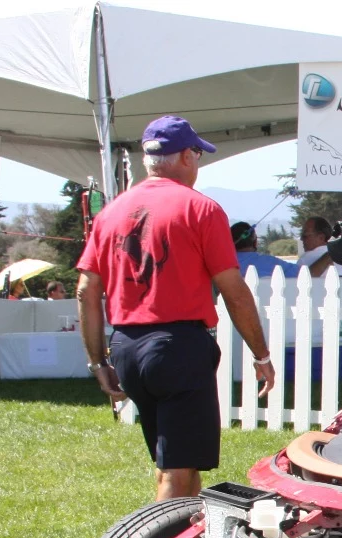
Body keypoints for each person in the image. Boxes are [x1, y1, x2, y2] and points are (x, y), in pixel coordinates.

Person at [76, 116, 273, 502]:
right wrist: (261, 354)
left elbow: (86, 291)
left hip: (128, 345)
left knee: (177, 462)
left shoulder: (111, 212)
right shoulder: (201, 209)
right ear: (186, 156)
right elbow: (233, 291)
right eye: (197, 154)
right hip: (178, 346)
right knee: (176, 475)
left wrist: (99, 362)